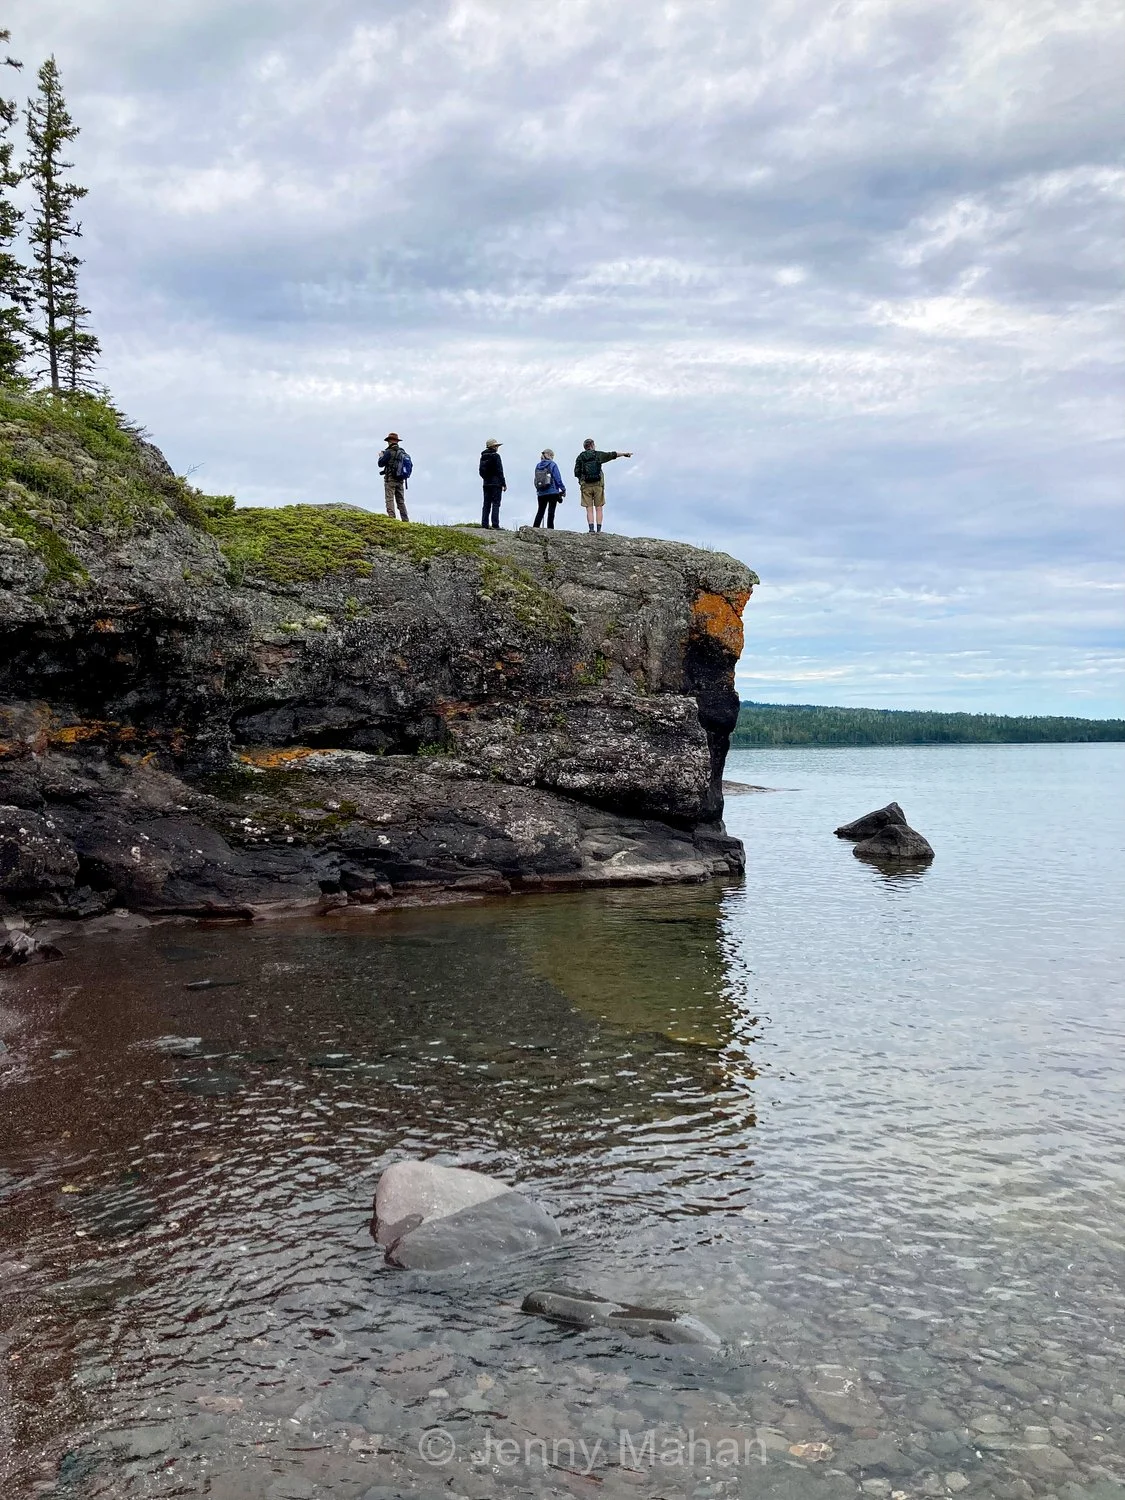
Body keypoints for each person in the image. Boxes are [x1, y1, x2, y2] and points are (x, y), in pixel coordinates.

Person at [573, 438, 632, 532]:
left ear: (585, 447)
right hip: (598, 484)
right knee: (599, 507)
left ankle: (591, 529)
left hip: (586, 486)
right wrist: (624, 454)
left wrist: (581, 481)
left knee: (589, 508)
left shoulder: (580, 457)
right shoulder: (597, 454)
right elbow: (612, 455)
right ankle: (599, 529)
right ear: (592, 445)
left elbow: (576, 472)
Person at [377, 432, 411, 521]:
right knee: (401, 501)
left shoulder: (388, 452)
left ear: (389, 441)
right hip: (400, 479)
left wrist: (381, 456)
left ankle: (392, 519)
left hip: (390, 479)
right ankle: (405, 520)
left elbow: (380, 464)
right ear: (397, 441)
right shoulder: (402, 452)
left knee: (389, 499)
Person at [532, 448, 565, 528]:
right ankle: (550, 530)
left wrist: (538, 490)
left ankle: (535, 528)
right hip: (552, 491)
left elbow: (536, 479)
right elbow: (558, 478)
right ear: (550, 455)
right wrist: (563, 489)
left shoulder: (538, 466)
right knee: (551, 512)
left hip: (541, 492)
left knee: (540, 511)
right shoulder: (552, 464)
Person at [479, 438, 506, 528]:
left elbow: (480, 471)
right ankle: (495, 524)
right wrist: (503, 483)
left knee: (486, 503)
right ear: (493, 447)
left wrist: (486, 478)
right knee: (496, 503)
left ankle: (484, 523)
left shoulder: (483, 456)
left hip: (486, 483)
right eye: (496, 446)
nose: (497, 448)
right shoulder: (496, 456)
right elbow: (499, 470)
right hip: (496, 483)